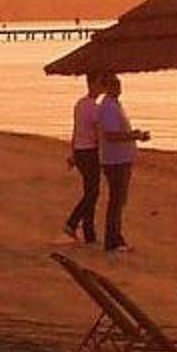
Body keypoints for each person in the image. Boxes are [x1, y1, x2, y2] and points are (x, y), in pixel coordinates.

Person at [93, 73, 150, 252]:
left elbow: (116, 132)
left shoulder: (114, 105)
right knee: (117, 199)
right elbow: (111, 135)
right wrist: (134, 136)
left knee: (119, 199)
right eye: (115, 85)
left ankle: (115, 237)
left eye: (119, 84)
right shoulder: (108, 107)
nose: (119, 88)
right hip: (116, 160)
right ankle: (113, 239)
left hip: (120, 158)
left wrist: (134, 135)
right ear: (108, 87)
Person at [63, 73, 105, 243]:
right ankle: (72, 222)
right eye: (100, 83)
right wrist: (102, 154)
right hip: (89, 152)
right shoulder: (93, 107)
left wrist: (73, 153)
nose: (102, 87)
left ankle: (89, 233)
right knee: (93, 192)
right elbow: (98, 133)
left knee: (90, 191)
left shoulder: (80, 104)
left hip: (81, 151)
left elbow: (76, 130)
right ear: (92, 84)